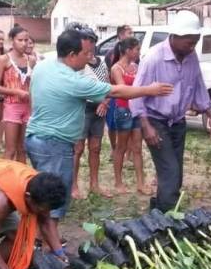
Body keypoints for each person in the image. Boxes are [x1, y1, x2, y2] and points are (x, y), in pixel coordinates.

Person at [25, 27, 172, 221]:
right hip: (55, 145)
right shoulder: (72, 80)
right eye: (85, 54)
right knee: (53, 199)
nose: (88, 58)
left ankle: (42, 240)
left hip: (35, 139)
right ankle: (47, 245)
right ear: (71, 55)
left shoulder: (44, 67)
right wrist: (149, 89)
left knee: (41, 192)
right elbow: (116, 91)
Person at [131, 11, 211, 212]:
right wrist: (146, 127)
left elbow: (198, 83)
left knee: (175, 173)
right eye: (190, 42)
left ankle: (158, 212)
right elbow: (136, 94)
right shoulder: (154, 58)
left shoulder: (191, 56)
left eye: (195, 42)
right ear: (176, 36)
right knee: (169, 170)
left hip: (178, 122)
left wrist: (210, 113)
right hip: (155, 121)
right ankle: (168, 217)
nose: (193, 46)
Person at [72, 26, 112, 199]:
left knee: (95, 148)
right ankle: (73, 186)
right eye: (88, 41)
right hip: (83, 108)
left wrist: (105, 102)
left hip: (100, 110)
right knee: (78, 148)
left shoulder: (100, 63)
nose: (91, 45)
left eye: (93, 42)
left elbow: (109, 87)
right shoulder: (78, 64)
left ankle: (94, 184)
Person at [110, 37, 152, 196]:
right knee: (121, 147)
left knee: (137, 148)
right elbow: (122, 90)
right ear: (128, 50)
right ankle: (118, 182)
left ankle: (141, 183)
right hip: (123, 110)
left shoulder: (135, 66)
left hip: (136, 110)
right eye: (136, 49)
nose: (138, 52)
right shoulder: (116, 68)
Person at [0, 27, 34, 162]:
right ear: (12, 41)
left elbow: (33, 83)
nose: (24, 43)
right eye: (20, 40)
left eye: (26, 40)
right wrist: (15, 91)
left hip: (27, 107)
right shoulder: (3, 59)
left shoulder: (31, 60)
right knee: (10, 150)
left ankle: (22, 181)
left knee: (23, 148)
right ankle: (5, 181)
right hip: (12, 106)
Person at [106, 25, 134, 151]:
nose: (132, 35)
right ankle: (114, 148)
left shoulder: (133, 55)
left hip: (130, 95)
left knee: (129, 126)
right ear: (121, 35)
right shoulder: (111, 54)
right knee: (112, 124)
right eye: (129, 33)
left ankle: (128, 152)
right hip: (115, 94)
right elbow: (109, 74)